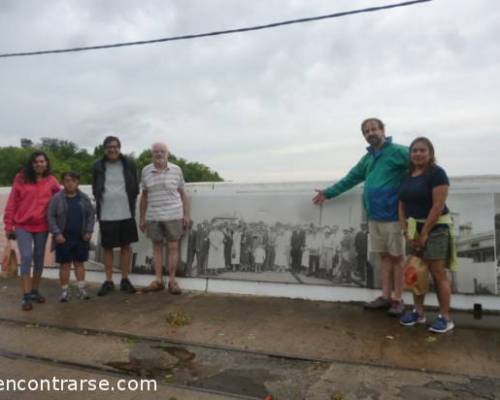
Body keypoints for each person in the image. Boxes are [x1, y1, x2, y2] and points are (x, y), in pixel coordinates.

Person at [313, 118, 409, 316]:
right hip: (374, 217)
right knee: (384, 257)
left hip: (394, 216)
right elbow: (351, 178)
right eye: (366, 131)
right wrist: (328, 193)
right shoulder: (368, 158)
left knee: (397, 258)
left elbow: (421, 166)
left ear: (383, 130)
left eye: (374, 129)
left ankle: (398, 299)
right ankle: (385, 296)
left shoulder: (399, 151)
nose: (370, 133)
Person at [399, 137, 456, 333]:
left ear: (430, 153)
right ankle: (418, 312)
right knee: (416, 272)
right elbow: (402, 203)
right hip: (414, 230)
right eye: (414, 150)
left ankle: (445, 317)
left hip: (436, 229)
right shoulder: (408, 175)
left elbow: (438, 206)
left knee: (438, 273)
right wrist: (405, 230)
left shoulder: (437, 174)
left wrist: (424, 234)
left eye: (422, 150)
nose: (418, 154)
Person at [4, 151, 60, 310]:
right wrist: (8, 225)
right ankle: (26, 296)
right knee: (27, 257)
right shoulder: (20, 178)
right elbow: (12, 202)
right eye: (36, 162)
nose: (39, 164)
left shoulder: (51, 180)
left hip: (42, 225)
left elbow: (61, 199)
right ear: (31, 164)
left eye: (42, 161)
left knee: (39, 257)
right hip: (23, 225)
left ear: (47, 163)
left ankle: (35, 290)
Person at [139, 142, 191, 294]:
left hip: (174, 214)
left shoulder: (176, 170)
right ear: (152, 154)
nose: (159, 154)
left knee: (173, 247)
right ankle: (158, 280)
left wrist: (186, 215)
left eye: (162, 151)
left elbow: (182, 194)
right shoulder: (146, 171)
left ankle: (172, 281)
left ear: (168, 153)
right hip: (153, 216)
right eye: (156, 151)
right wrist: (142, 218)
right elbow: (144, 196)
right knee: (156, 248)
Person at [92, 136, 139, 296]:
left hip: (126, 212)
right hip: (106, 212)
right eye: (109, 147)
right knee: (108, 248)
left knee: (126, 247)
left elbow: (135, 185)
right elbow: (95, 187)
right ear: (104, 149)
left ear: (120, 148)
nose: (112, 150)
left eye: (115, 146)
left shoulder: (129, 164)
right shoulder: (98, 165)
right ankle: (109, 281)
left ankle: (125, 280)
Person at [48, 172, 95, 302]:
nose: (70, 183)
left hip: (81, 237)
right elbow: (50, 216)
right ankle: (64, 291)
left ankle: (81, 289)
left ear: (77, 182)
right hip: (63, 238)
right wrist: (57, 233)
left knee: (79, 264)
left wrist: (89, 231)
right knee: (65, 265)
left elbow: (91, 215)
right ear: (63, 183)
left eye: (73, 181)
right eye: (67, 181)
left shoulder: (84, 198)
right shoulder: (57, 198)